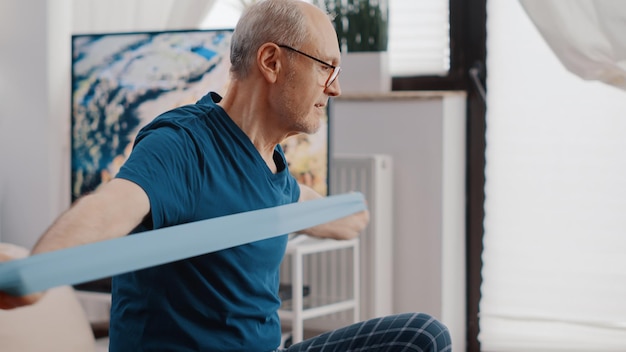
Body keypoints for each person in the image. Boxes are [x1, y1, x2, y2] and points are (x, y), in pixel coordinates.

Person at [0, 0, 452, 350]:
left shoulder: (269, 165)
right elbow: (110, 207)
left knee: (421, 335)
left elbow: (300, 206)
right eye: (325, 67)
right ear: (272, 62)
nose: (334, 86)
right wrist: (37, 274)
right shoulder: (183, 144)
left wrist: (350, 213)